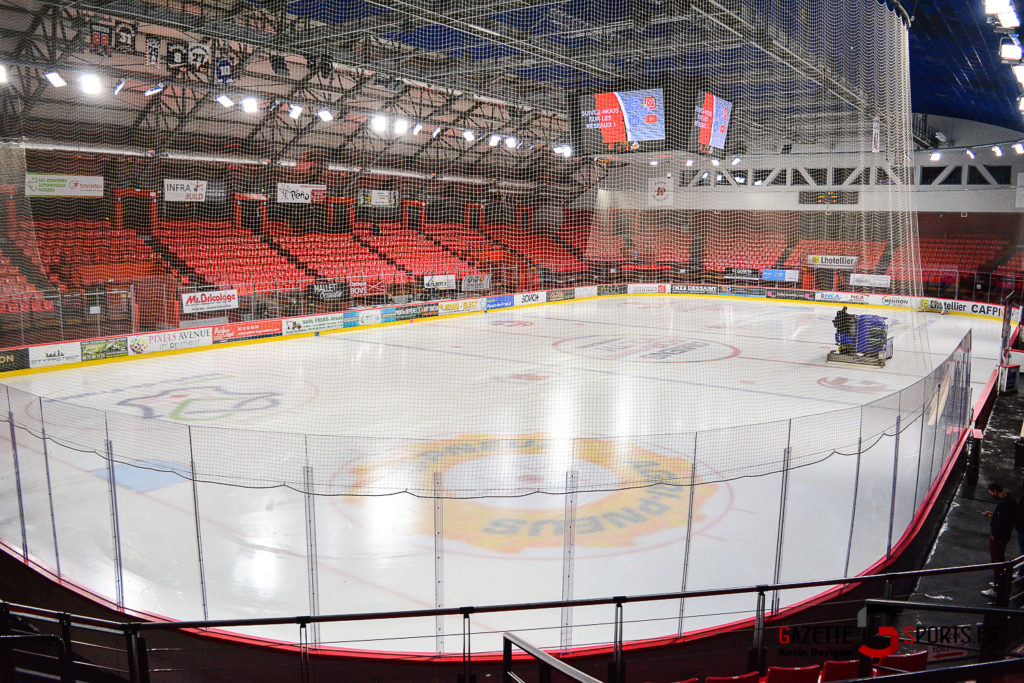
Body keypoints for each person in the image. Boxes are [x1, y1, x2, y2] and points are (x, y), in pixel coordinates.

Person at [982, 482, 1017, 598]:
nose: (992, 494)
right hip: (1005, 536)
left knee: (997, 562)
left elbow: (1002, 524)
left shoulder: (1004, 504)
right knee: (1000, 560)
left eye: (992, 492)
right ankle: (999, 584)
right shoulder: (1010, 500)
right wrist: (993, 515)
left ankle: (997, 588)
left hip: (998, 538)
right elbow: (1005, 519)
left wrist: (994, 535)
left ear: (996, 491)